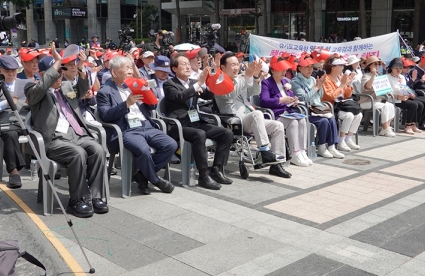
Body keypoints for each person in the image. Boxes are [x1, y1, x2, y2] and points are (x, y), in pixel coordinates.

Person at [24, 47, 108, 218]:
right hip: (54, 140)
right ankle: (77, 200)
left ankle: (96, 196)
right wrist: (57, 63)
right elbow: (43, 85)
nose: (59, 77)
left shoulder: (66, 86)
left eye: (61, 73)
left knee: (98, 150)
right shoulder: (33, 90)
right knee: (77, 154)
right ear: (43, 74)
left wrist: (82, 67)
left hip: (75, 134)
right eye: (56, 73)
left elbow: (82, 89)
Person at [97, 55, 177, 195]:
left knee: (171, 144)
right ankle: (155, 179)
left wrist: (146, 91)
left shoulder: (135, 84)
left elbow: (152, 106)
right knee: (144, 150)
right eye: (126, 68)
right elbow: (105, 115)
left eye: (131, 67)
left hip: (145, 125)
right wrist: (126, 104)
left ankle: (142, 176)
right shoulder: (105, 91)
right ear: (114, 72)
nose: (130, 71)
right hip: (126, 129)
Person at [215, 53, 291, 178]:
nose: (236, 67)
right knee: (257, 114)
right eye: (232, 65)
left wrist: (256, 76)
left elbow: (254, 91)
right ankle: (264, 151)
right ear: (223, 67)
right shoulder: (219, 82)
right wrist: (247, 76)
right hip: (234, 121)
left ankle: (276, 165)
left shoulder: (240, 78)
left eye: (237, 64)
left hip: (249, 118)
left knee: (277, 126)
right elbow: (231, 94)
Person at [164, 54, 234, 190]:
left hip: (194, 122)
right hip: (178, 125)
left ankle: (217, 169)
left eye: (188, 64)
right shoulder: (169, 84)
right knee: (200, 134)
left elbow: (209, 95)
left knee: (226, 133)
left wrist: (210, 79)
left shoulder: (192, 82)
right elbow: (180, 96)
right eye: (183, 64)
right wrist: (198, 84)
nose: (188, 66)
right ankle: (203, 175)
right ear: (174, 68)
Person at [0, 56, 29, 188]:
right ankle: (14, 171)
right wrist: (5, 103)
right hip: (6, 122)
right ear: (0, 70)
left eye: (14, 70)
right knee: (10, 134)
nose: (11, 73)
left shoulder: (24, 83)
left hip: (25, 119)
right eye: (7, 70)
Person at [260, 57, 312, 167]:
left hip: (287, 112)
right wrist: (281, 100)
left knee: (302, 120)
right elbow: (264, 101)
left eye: (285, 69)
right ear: (273, 70)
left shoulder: (285, 81)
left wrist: (294, 100)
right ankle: (294, 153)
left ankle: (302, 151)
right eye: (281, 69)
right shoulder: (266, 83)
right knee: (293, 123)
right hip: (276, 114)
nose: (284, 72)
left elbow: (291, 96)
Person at [291, 54, 343, 159]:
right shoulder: (295, 81)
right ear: (300, 68)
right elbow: (304, 98)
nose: (310, 69)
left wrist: (320, 87)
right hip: (306, 111)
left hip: (317, 108)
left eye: (311, 67)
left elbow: (320, 96)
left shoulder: (313, 79)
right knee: (323, 121)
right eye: (307, 67)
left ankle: (332, 146)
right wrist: (316, 88)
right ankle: (322, 147)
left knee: (332, 118)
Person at [321, 56, 362, 152]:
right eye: (340, 65)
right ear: (333, 67)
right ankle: (341, 141)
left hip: (343, 104)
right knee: (349, 115)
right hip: (332, 106)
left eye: (343, 65)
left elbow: (347, 95)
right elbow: (330, 96)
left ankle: (348, 138)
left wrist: (348, 84)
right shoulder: (326, 79)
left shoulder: (340, 77)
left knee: (359, 114)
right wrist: (343, 85)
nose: (343, 67)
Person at [359, 55, 396, 137]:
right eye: (375, 64)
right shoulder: (366, 76)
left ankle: (385, 128)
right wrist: (373, 75)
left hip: (377, 100)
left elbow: (384, 86)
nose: (377, 66)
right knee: (385, 107)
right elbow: (367, 87)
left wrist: (388, 90)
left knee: (390, 106)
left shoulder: (379, 75)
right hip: (368, 101)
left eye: (378, 64)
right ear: (369, 66)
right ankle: (386, 128)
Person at [402, 57, 425, 130]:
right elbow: (403, 88)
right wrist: (413, 80)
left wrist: (421, 81)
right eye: (405, 67)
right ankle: (414, 123)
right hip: (404, 96)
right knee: (422, 103)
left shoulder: (407, 75)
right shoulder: (402, 76)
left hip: (412, 94)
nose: (408, 69)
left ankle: (423, 121)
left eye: (409, 67)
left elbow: (414, 87)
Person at [387, 58, 422, 134]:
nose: (398, 70)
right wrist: (398, 97)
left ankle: (413, 124)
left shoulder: (401, 77)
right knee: (413, 105)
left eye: (400, 68)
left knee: (420, 104)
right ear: (391, 68)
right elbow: (387, 93)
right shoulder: (387, 77)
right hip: (393, 99)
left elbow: (405, 88)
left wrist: (409, 94)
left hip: (403, 98)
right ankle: (408, 125)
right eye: (396, 68)